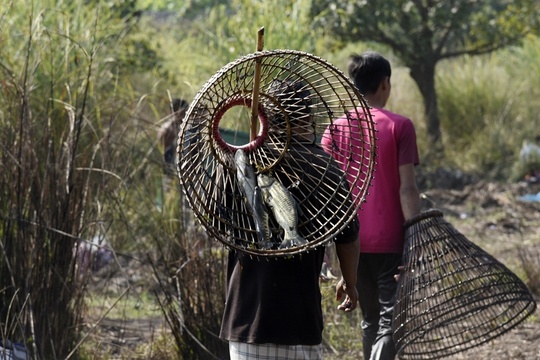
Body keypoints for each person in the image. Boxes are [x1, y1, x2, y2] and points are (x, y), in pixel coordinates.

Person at [219, 80, 361, 360]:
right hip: (299, 321)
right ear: (307, 118)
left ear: (266, 119)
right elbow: (348, 236)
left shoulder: (238, 165)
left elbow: (221, 224)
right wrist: (350, 281)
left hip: (247, 319)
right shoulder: (325, 169)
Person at [321, 51, 422, 360]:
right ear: (385, 84)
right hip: (392, 241)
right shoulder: (400, 126)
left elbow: (326, 195)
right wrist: (417, 235)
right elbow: (407, 189)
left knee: (370, 320)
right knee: (390, 323)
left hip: (351, 242)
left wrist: (327, 248)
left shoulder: (334, 130)